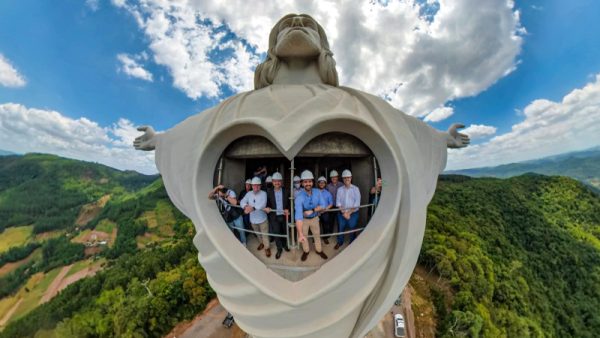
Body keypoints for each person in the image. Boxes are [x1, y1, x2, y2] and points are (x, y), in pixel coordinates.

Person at [295, 170, 328, 261]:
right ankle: (306, 251)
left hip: (315, 218)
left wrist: (312, 210)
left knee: (317, 235)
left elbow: (323, 205)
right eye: (305, 182)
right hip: (304, 220)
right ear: (302, 183)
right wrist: (300, 234)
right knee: (304, 236)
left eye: (309, 181)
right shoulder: (299, 197)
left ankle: (319, 250)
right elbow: (298, 217)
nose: (308, 183)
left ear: (312, 182)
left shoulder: (317, 192)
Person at [240, 177, 271, 257]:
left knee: (265, 235)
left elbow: (262, 204)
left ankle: (267, 248)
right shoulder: (248, 194)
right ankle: (261, 243)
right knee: (258, 234)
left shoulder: (264, 193)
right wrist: (245, 206)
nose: (256, 187)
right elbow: (242, 201)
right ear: (252, 186)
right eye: (254, 185)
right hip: (253, 220)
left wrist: (252, 208)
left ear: (260, 186)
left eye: (258, 186)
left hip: (262, 219)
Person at [265, 172, 290, 259]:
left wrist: (288, 209)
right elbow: (267, 203)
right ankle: (279, 249)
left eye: (279, 181)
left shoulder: (286, 191)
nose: (277, 183)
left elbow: (290, 203)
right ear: (272, 182)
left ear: (281, 182)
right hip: (274, 216)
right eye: (275, 181)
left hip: (283, 215)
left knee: (285, 231)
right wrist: (267, 208)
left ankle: (285, 245)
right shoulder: (269, 192)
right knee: (276, 233)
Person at [335, 169, 361, 250]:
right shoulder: (340, 189)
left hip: (353, 213)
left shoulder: (356, 189)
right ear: (342, 179)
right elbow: (338, 203)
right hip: (342, 212)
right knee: (341, 227)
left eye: (348, 177)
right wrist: (344, 212)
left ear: (351, 178)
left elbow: (357, 204)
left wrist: (348, 213)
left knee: (352, 227)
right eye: (345, 178)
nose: (347, 179)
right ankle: (340, 242)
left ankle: (352, 242)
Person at [316, 176, 334, 245]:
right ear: (318, 183)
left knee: (326, 226)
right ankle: (316, 239)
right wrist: (317, 210)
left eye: (323, 183)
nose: (321, 184)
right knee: (316, 226)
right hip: (316, 212)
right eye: (320, 183)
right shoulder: (314, 192)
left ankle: (325, 238)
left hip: (325, 212)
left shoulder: (328, 193)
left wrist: (325, 210)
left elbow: (331, 203)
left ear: (325, 184)